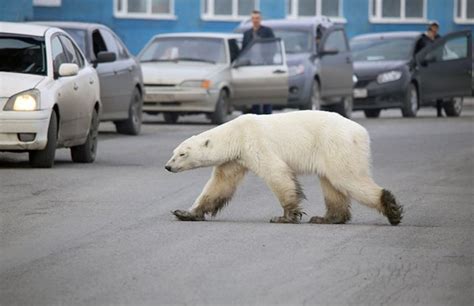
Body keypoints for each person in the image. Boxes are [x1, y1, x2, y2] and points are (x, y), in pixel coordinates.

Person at [242, 10, 275, 115]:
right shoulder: (247, 34)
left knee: (267, 92)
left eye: (257, 18)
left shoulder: (267, 31)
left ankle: (267, 115)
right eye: (253, 18)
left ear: (260, 19)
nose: (255, 21)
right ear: (251, 20)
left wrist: (268, 60)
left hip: (265, 66)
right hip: (252, 67)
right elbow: (244, 50)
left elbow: (273, 47)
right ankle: (255, 115)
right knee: (254, 93)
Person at [414, 21, 443, 117]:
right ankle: (416, 108)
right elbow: (417, 53)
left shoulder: (439, 38)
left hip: (437, 66)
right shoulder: (422, 39)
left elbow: (442, 50)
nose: (434, 30)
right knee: (424, 88)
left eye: (436, 28)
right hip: (425, 66)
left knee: (439, 89)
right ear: (429, 28)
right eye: (432, 28)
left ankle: (439, 111)